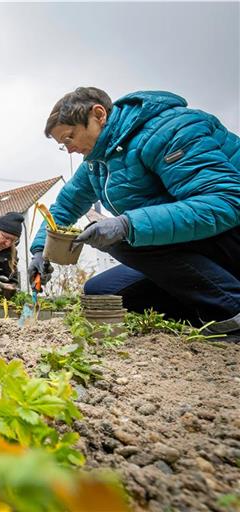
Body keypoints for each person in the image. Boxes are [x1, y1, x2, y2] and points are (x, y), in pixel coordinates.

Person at [29, 87, 240, 336]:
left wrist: (128, 225)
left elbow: (226, 201)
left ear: (99, 115)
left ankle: (232, 310)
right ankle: (207, 316)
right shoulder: (98, 163)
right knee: (102, 292)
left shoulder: (169, 129)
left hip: (227, 235)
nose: (70, 149)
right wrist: (41, 250)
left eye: (69, 138)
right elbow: (65, 206)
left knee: (119, 239)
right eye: (62, 145)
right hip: (193, 249)